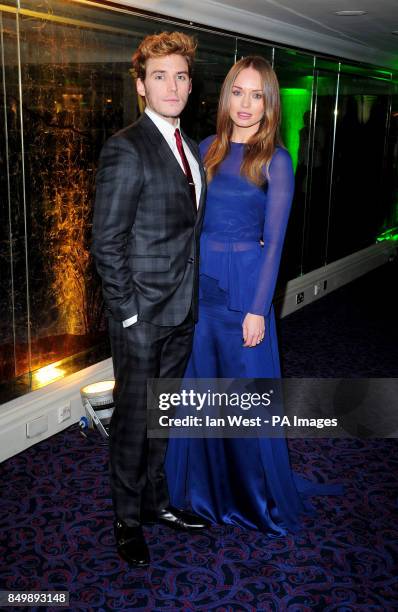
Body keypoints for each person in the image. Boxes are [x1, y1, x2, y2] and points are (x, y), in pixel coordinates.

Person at [166, 56, 342, 535]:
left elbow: (276, 241)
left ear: (268, 103)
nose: (245, 104)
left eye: (256, 95)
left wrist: (258, 309)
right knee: (201, 390)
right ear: (227, 97)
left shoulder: (276, 160)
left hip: (245, 287)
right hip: (201, 287)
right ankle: (201, 491)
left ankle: (252, 495)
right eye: (238, 92)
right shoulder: (206, 148)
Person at [92, 31, 208, 568]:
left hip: (182, 311)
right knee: (132, 422)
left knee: (162, 416)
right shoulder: (126, 146)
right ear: (141, 85)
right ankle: (126, 519)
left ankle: (158, 504)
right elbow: (106, 242)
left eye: (180, 75)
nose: (172, 85)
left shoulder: (192, 149)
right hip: (141, 317)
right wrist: (130, 312)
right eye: (159, 75)